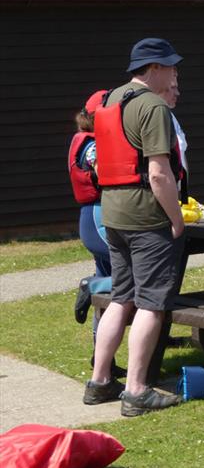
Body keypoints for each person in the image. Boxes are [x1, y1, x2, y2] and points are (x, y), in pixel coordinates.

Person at [83, 37, 186, 417]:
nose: (176, 72)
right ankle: (137, 390)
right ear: (154, 69)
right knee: (151, 303)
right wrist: (175, 219)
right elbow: (159, 173)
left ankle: (99, 381)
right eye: (171, 66)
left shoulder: (110, 100)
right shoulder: (153, 106)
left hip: (112, 214)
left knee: (121, 297)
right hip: (146, 217)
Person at [68, 90, 125, 378]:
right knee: (132, 278)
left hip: (94, 216)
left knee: (110, 293)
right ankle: (89, 286)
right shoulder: (91, 145)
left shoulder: (87, 141)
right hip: (98, 216)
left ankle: (102, 359)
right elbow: (104, 171)